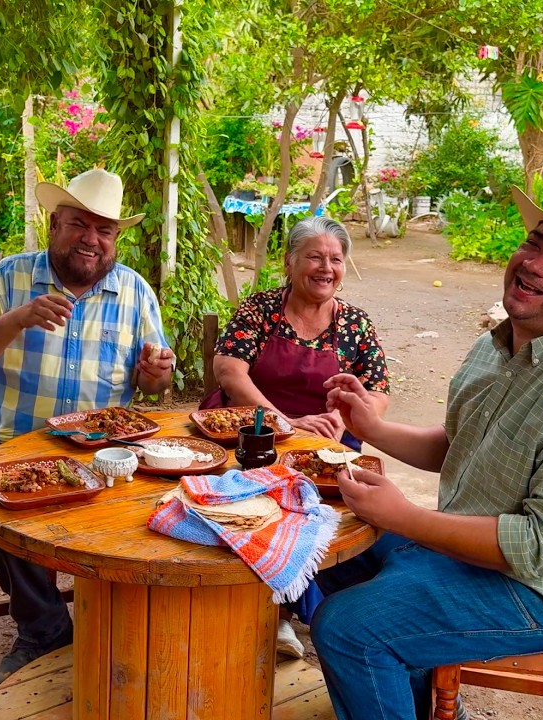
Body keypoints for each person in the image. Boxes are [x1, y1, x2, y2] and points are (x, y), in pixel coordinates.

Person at [311, 182, 543, 720]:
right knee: (319, 548)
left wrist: (402, 517)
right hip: (464, 554)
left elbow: (542, 549)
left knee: (348, 628)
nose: (534, 264)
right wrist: (372, 427)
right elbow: (459, 448)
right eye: (534, 243)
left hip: (542, 595)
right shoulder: (496, 347)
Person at [0, 168, 175, 687]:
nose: (91, 239)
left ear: (115, 238)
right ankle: (47, 632)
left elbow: (153, 385)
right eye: (79, 224)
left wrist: (155, 372)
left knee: (163, 504)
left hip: (103, 448)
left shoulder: (135, 291)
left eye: (104, 229)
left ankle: (125, 624)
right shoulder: (8, 278)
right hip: (5, 442)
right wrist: (16, 319)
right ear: (54, 225)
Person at [207, 215, 391, 658]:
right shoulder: (261, 309)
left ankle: (286, 610)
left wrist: (345, 419)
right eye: (315, 257)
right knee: (250, 505)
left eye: (336, 259)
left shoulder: (355, 323)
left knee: (323, 511)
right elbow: (229, 370)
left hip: (324, 441)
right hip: (253, 431)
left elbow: (378, 390)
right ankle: (256, 606)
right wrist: (284, 421)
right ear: (290, 262)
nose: (326, 268)